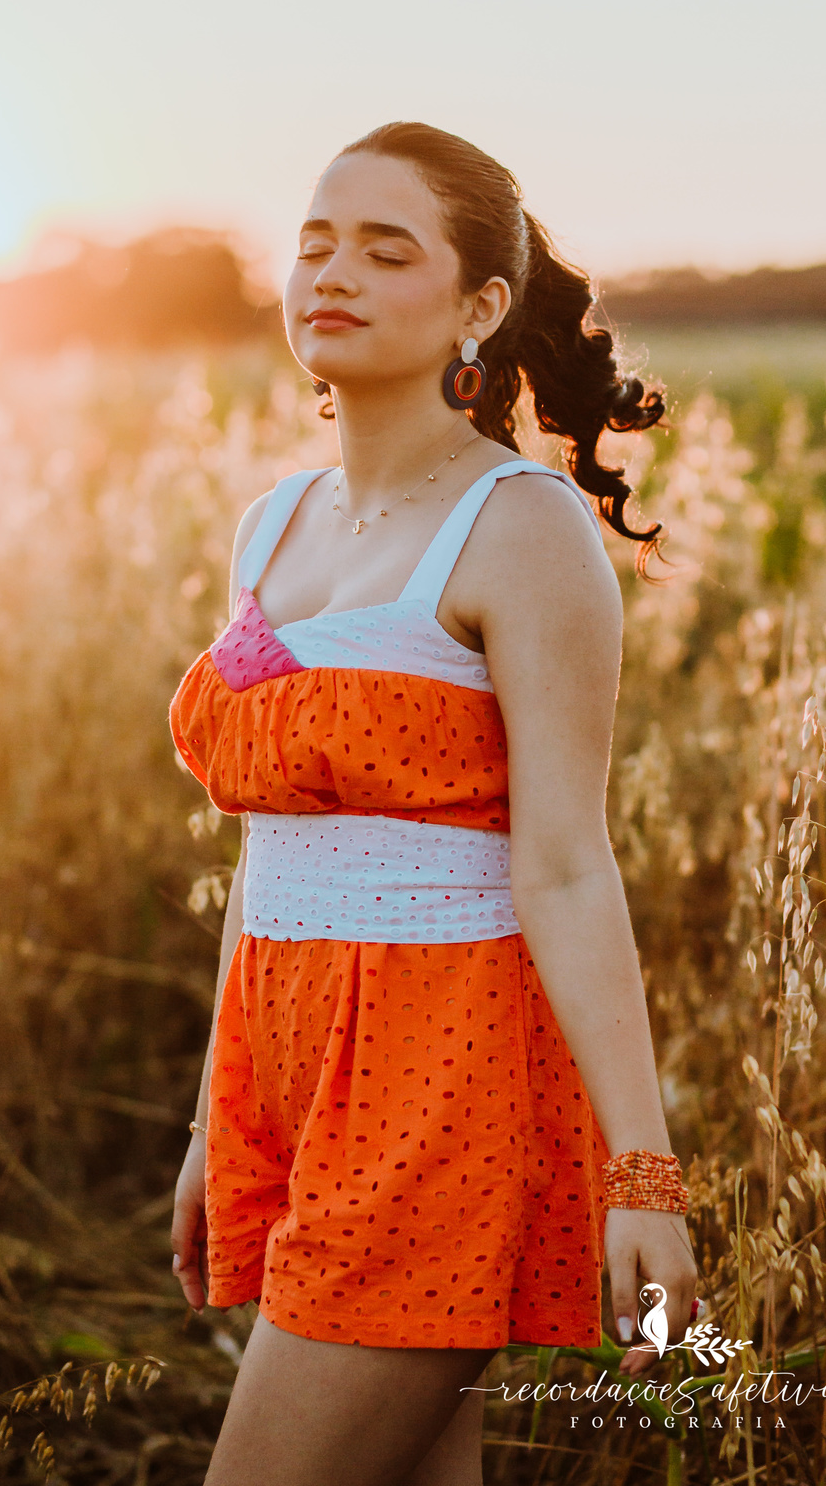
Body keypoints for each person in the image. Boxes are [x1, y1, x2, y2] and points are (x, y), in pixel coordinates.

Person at [169, 122, 698, 1486]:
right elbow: (272, 848)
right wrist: (208, 1125)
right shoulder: (272, 522)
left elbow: (571, 868)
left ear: (481, 305)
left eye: (385, 250)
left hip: (440, 1070)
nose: (331, 273)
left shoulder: (521, 528)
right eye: (314, 242)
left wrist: (645, 1177)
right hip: (288, 1067)